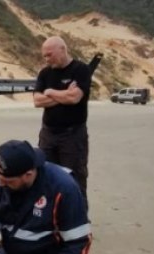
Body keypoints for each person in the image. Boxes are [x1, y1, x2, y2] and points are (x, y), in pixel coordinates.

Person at [33, 36, 92, 202]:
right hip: (48, 134)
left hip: (73, 134)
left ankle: (78, 220)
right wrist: (64, 94)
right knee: (45, 174)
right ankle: (50, 218)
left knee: (74, 177)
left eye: (49, 55)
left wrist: (50, 92)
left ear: (62, 49)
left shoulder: (80, 70)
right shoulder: (45, 73)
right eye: (44, 56)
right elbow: (37, 101)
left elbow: (74, 98)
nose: (46, 59)